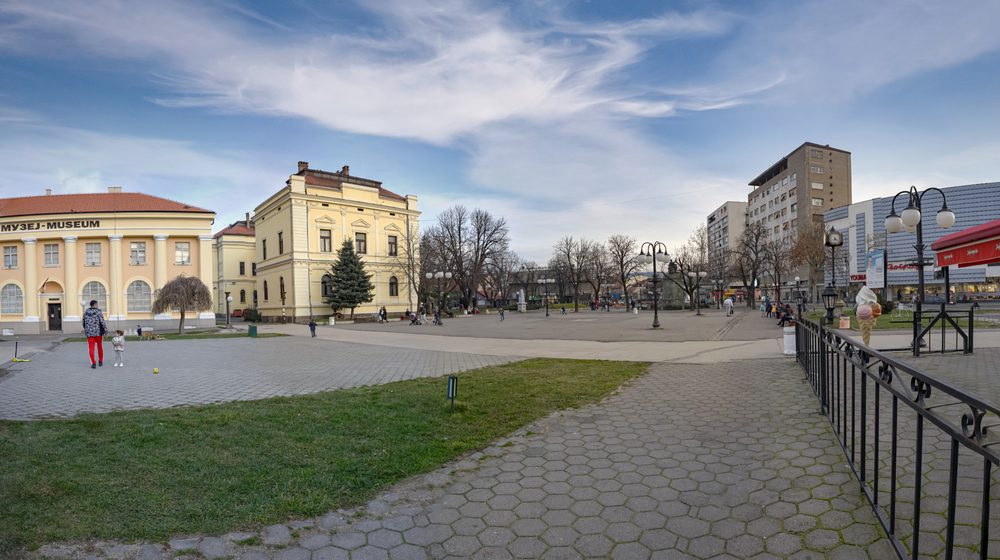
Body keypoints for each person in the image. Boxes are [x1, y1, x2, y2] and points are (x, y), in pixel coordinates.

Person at [82, 299, 107, 369]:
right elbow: (102, 322)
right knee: (99, 347)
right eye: (97, 304)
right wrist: (105, 330)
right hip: (98, 333)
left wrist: (87, 329)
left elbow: (83, 323)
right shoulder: (98, 311)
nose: (98, 305)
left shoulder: (86, 312)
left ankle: (93, 363)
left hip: (89, 334)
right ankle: (100, 361)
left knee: (91, 348)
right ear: (95, 305)